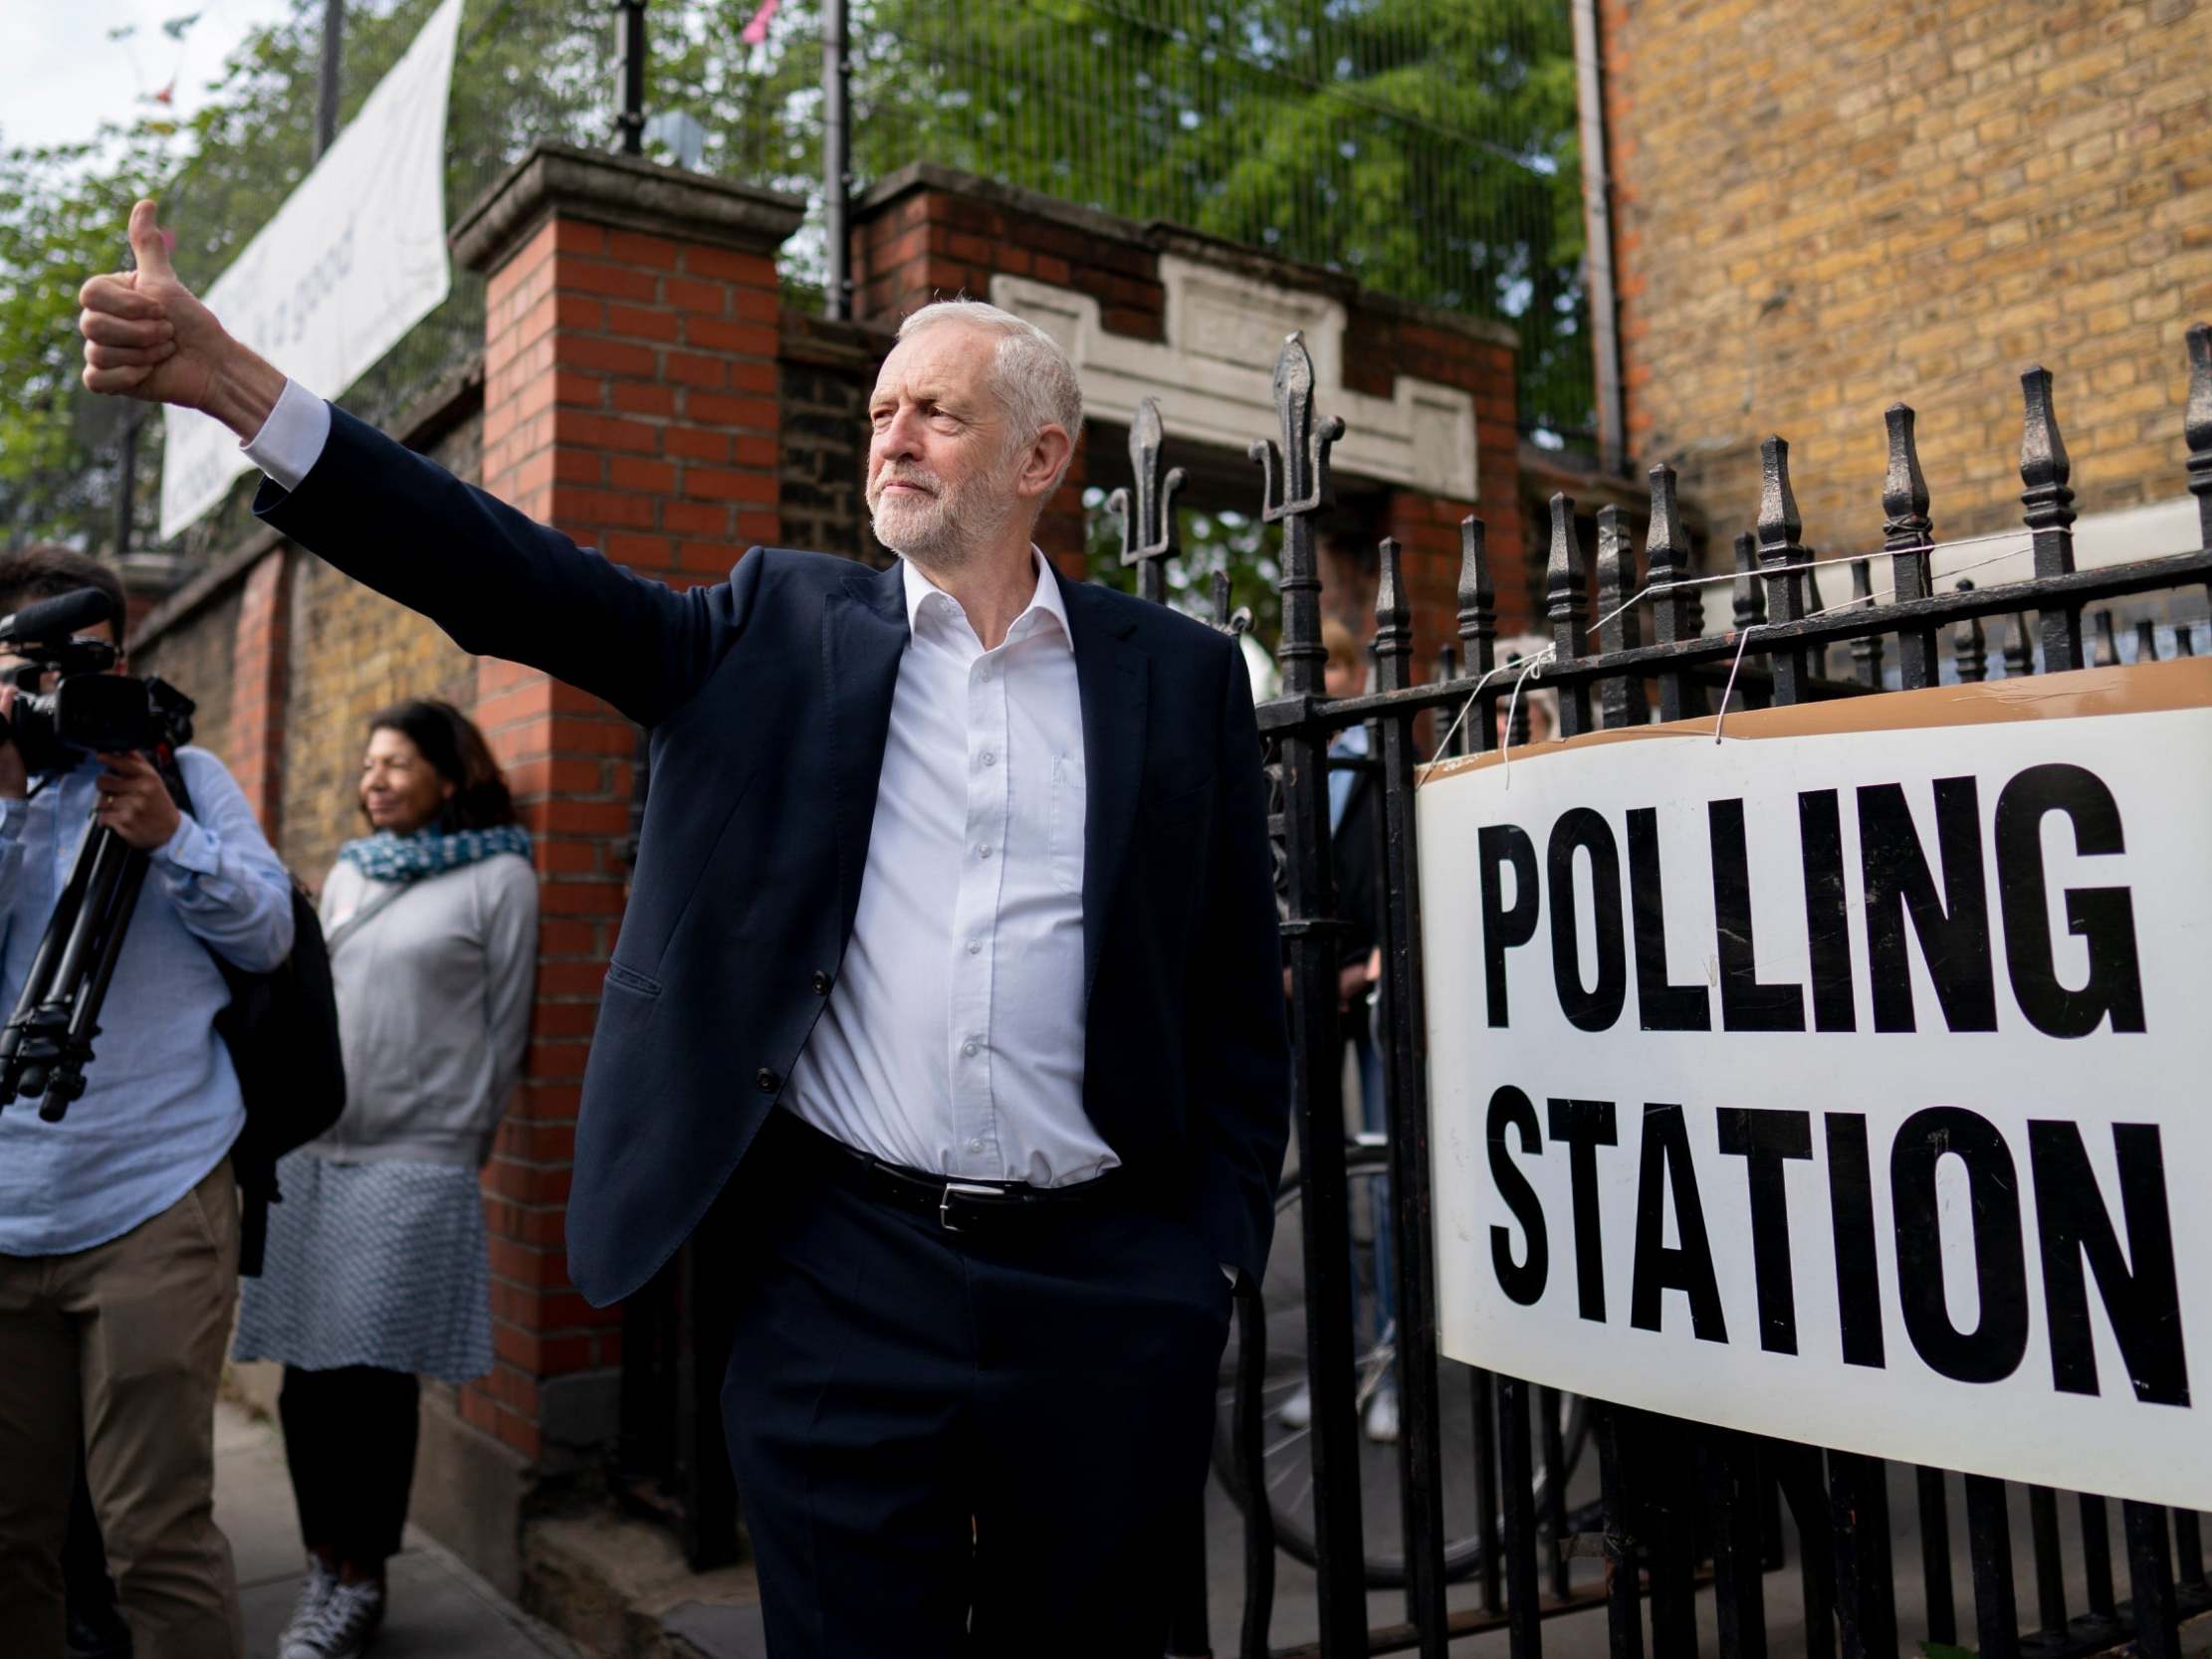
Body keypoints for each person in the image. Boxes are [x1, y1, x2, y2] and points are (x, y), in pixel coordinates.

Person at [80, 200, 1289, 1656]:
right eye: (883, 409)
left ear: (1039, 459)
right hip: (847, 1275)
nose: (892, 436)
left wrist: (1205, 1252)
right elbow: (516, 577)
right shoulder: (775, 625)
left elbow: (1234, 978)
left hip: (1109, 1287)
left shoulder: (1178, 674)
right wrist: (233, 385)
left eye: (939, 415)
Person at [0, 541, 296, 1659]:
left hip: (155, 1201)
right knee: (6, 1531)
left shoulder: (183, 773)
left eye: (97, 659)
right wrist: (10, 807)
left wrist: (169, 836)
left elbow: (268, 931)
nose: (75, 687)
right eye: (44, 667)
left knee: (156, 1535)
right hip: (4, 1212)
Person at [232, 700, 537, 1659]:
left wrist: (459, 1139)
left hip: (417, 1155)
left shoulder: (501, 877)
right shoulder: (358, 870)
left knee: (370, 1375)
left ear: (451, 774)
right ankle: (325, 1562)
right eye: (369, 763)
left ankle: (363, 1576)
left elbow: (507, 1031)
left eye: (398, 761)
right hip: (315, 1149)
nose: (374, 778)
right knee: (305, 1379)